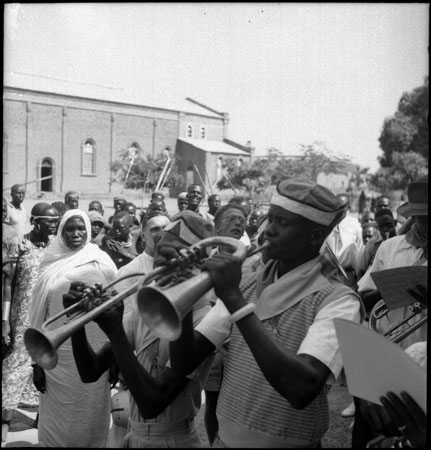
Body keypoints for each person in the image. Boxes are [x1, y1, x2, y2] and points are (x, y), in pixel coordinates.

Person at [162, 178, 363, 448]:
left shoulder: (338, 300)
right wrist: (182, 296)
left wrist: (234, 300)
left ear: (315, 236)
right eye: (271, 219)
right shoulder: (247, 283)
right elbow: (184, 362)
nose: (269, 231)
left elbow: (300, 389)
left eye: (283, 223)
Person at [63, 210, 216, 448]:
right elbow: (90, 371)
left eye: (170, 254)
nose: (159, 260)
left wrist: (115, 331)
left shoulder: (205, 317)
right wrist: (76, 322)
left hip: (174, 440)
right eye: (159, 250)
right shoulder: (150, 307)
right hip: (134, 436)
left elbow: (153, 402)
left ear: (194, 264)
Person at [28, 209, 118, 447]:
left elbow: (116, 308)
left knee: (91, 415)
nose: (76, 233)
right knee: (57, 423)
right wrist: (36, 363)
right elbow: (38, 314)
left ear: (88, 230)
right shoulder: (49, 262)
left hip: (95, 353)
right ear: (61, 231)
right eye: (70, 228)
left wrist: (115, 357)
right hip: (56, 358)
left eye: (81, 228)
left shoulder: (102, 262)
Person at [353, 176, 428, 448]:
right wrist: (393, 290)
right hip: (388, 357)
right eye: (424, 216)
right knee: (373, 432)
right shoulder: (390, 247)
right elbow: (362, 299)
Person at [2, 203, 59, 443]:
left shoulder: (58, 247)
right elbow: (7, 285)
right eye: (49, 221)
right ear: (35, 221)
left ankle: (41, 421)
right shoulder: (20, 245)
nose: (55, 225)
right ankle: (5, 422)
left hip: (49, 319)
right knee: (13, 368)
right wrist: (4, 321)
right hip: (21, 317)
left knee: (47, 365)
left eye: (57, 220)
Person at [323, 193, 363, 290]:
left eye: (342, 206)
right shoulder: (326, 224)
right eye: (336, 206)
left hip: (347, 276)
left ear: (348, 207)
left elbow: (360, 252)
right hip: (328, 276)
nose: (339, 209)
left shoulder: (354, 226)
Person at [355, 209, 397, 281]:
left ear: (395, 223)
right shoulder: (372, 243)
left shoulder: (404, 239)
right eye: (381, 226)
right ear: (377, 227)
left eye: (389, 224)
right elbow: (360, 269)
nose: (386, 229)